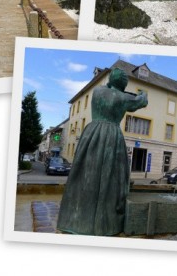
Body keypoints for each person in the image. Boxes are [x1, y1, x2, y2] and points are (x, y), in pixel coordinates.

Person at [57, 68, 149, 236]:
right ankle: (104, 224)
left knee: (84, 175)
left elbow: (110, 91)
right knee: (111, 177)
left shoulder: (98, 91)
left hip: (92, 132)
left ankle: (75, 220)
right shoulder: (124, 97)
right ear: (123, 84)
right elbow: (142, 101)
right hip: (111, 135)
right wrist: (142, 93)